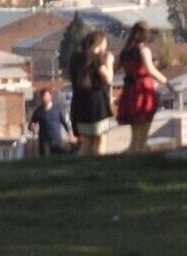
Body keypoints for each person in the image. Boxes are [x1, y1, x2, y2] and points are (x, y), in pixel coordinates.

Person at [115, 22, 165, 152]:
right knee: (144, 129)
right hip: (143, 89)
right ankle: (140, 154)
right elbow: (150, 69)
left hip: (129, 89)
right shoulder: (143, 51)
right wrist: (165, 81)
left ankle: (133, 155)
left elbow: (114, 70)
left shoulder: (124, 52)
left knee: (135, 131)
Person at [70, 31, 113, 156]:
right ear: (99, 44)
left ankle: (83, 165)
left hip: (80, 102)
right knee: (101, 138)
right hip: (96, 103)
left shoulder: (77, 58)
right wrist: (109, 62)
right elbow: (108, 78)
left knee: (88, 139)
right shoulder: (95, 59)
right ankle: (99, 164)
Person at [30, 86, 75, 156]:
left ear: (50, 96)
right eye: (42, 96)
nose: (44, 98)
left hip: (56, 140)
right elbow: (32, 124)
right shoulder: (38, 111)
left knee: (57, 160)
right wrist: (32, 127)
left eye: (46, 95)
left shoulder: (57, 109)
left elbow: (65, 123)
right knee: (45, 161)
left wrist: (71, 135)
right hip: (44, 141)